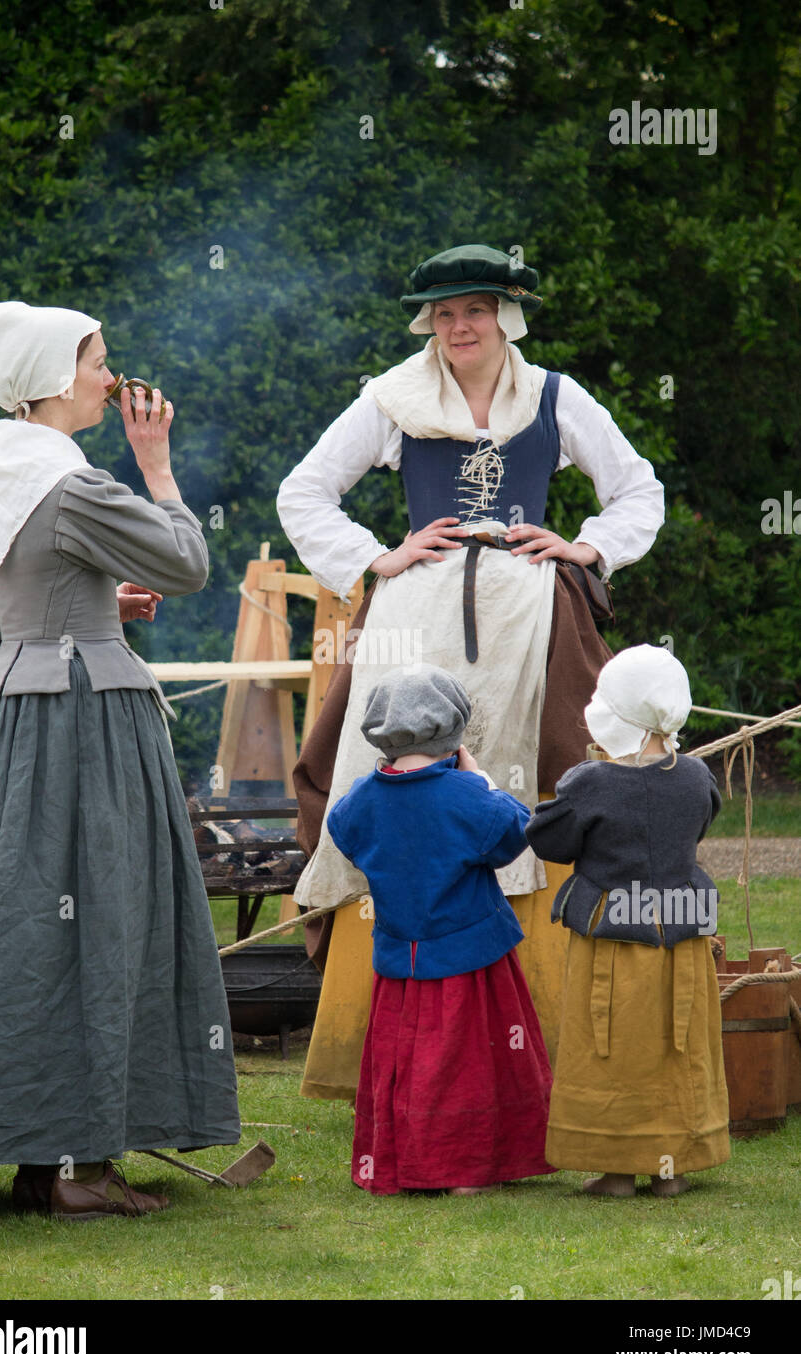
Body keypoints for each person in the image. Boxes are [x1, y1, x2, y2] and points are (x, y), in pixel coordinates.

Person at [276, 242, 665, 1100]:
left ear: (505, 315)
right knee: (389, 776)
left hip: (530, 614)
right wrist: (379, 558)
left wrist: (586, 545)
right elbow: (303, 492)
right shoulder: (392, 399)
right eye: (444, 314)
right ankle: (384, 1048)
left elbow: (639, 489)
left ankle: (541, 1042)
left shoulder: (557, 397)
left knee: (537, 783)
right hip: (415, 618)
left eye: (475, 311)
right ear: (429, 323)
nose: (460, 327)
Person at [0, 301, 240, 1218]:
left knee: (22, 929)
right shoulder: (74, 486)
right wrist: (156, 466)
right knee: (102, 919)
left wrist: (94, 611)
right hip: (86, 728)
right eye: (99, 364)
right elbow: (188, 560)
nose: (113, 380)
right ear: (58, 379)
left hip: (8, 726)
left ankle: (43, 1154)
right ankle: (79, 1166)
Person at [327, 664, 553, 1195]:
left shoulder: (363, 799)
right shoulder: (465, 795)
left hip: (399, 967)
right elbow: (515, 831)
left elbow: (344, 830)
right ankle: (466, 1170)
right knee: (468, 1064)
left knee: (407, 1065)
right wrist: (477, 779)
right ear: (452, 733)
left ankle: (412, 1163)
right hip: (471, 963)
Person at [525, 644, 730, 1196]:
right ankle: (673, 1167)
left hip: (612, 942)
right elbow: (698, 826)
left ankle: (616, 1171)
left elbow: (549, 839)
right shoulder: (695, 777)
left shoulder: (588, 782)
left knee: (610, 1047)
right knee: (674, 1042)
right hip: (682, 937)